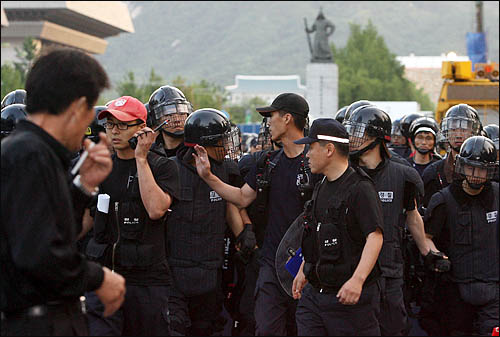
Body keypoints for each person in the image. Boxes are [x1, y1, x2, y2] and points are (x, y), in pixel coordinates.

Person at [1, 48, 125, 336]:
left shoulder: (35, 152)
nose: (88, 128)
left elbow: (52, 232)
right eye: (89, 114)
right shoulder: (29, 155)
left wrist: (83, 186)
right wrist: (99, 278)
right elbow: (39, 255)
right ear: (78, 107)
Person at [193, 93, 322, 336]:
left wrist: (308, 265)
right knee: (265, 329)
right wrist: (208, 176)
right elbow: (242, 198)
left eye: (270, 116)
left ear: (287, 118)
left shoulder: (315, 164)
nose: (267, 123)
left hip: (307, 269)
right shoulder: (267, 163)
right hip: (270, 266)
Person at [82, 96, 179, 336]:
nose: (114, 131)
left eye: (122, 125)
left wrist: (141, 159)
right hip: (105, 278)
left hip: (146, 282)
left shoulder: (162, 166)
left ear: (142, 129)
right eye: (110, 124)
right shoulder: (103, 166)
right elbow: (86, 220)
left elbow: (156, 210)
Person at [344, 105, 432, 336]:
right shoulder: (344, 174)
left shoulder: (404, 175)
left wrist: (427, 252)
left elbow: (412, 216)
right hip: (350, 270)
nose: (352, 138)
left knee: (392, 328)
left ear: (376, 137)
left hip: (389, 271)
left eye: (358, 133)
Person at [291, 118, 384, 335]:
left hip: (350, 302)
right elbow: (316, 231)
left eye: (311, 147)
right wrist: (306, 267)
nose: (306, 154)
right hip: (315, 298)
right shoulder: (321, 185)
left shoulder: (360, 189)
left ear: (329, 149)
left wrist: (357, 281)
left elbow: (375, 236)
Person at [166, 108, 251, 336]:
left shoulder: (227, 171)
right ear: (201, 146)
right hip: (176, 272)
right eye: (221, 141)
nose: (226, 146)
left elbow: (232, 205)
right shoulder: (170, 170)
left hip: (211, 272)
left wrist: (244, 234)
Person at [424, 136, 498, 335]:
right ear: (462, 167)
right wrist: (437, 256)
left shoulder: (497, 195)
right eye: (471, 168)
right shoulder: (443, 200)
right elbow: (426, 236)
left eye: (482, 169)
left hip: (493, 286)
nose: (476, 175)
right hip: (456, 287)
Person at [421, 104, 481, 209]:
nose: (458, 135)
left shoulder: (484, 170)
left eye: (463, 130)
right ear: (446, 132)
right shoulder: (433, 173)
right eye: (453, 129)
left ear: (474, 131)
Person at [148, 85, 193, 158]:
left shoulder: (196, 149)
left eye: (181, 113)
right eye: (168, 115)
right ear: (156, 119)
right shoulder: (150, 153)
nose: (177, 119)